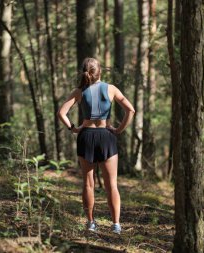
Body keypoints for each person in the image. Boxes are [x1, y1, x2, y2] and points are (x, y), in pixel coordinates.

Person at [57, 57, 135, 234]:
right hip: (106, 136)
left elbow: (61, 112)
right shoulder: (111, 89)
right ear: (100, 71)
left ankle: (91, 223)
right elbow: (131, 110)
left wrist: (73, 128)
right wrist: (119, 129)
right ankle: (116, 225)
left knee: (88, 184)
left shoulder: (79, 91)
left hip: (86, 137)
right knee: (112, 185)